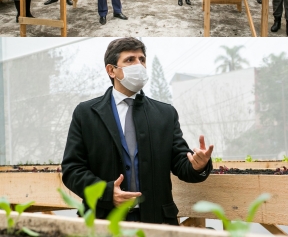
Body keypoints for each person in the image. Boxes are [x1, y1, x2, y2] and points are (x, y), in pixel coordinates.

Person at [61, 38, 214, 224]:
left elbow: (181, 163)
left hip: (157, 222)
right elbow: (72, 169)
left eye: (142, 59)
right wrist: (107, 192)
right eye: (130, 60)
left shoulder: (165, 113)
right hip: (104, 221)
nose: (139, 65)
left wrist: (198, 165)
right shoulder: (86, 113)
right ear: (111, 70)